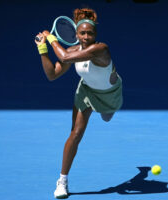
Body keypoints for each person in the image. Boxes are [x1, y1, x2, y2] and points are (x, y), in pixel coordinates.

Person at [35, 8, 123, 199]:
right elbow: (52, 75)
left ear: (95, 35)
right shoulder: (74, 50)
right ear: (76, 35)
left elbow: (64, 57)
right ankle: (62, 181)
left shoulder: (101, 49)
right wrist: (42, 49)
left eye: (89, 33)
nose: (85, 37)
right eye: (82, 33)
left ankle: (106, 111)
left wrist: (50, 38)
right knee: (75, 133)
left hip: (110, 94)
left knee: (107, 117)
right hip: (86, 91)